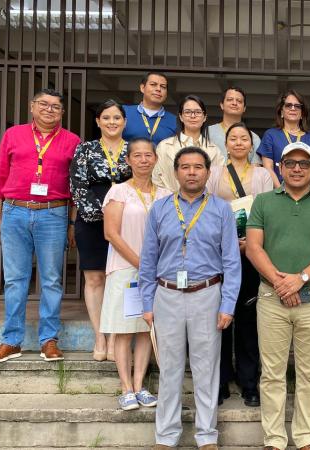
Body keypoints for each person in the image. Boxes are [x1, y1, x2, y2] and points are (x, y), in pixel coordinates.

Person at [139, 146, 241, 449]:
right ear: (176, 172)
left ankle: (207, 436)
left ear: (208, 172)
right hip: (167, 295)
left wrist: (228, 305)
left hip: (207, 295)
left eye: (198, 167)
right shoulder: (160, 209)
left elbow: (232, 262)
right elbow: (148, 261)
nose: (192, 172)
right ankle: (166, 436)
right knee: (169, 370)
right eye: (186, 167)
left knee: (206, 369)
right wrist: (148, 303)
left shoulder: (222, 209)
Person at [246, 141, 310, 450]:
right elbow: (253, 247)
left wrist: (300, 279)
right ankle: (274, 439)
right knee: (272, 373)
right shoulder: (263, 201)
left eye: (304, 163)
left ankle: (305, 437)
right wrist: (281, 283)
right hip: (271, 297)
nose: (297, 168)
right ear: (281, 167)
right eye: (291, 163)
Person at [0, 88, 80, 363]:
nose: (49, 109)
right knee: (15, 279)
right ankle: (11, 340)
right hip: (14, 212)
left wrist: (72, 224)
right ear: (31, 106)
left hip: (54, 213)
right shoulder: (13, 135)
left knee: (51, 279)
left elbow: (75, 189)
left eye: (56, 107)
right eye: (44, 104)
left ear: (62, 112)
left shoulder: (72, 141)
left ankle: (48, 340)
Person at [206, 122, 274, 408]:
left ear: (251, 143)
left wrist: (253, 243)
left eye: (243, 138)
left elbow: (270, 212)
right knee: (220, 319)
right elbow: (206, 209)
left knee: (248, 319)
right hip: (219, 255)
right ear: (226, 143)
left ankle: (249, 382)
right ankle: (220, 380)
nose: (238, 143)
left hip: (251, 254)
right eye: (232, 138)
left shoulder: (263, 175)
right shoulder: (213, 174)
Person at [100, 138, 169, 410]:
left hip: (157, 272)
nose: (143, 160)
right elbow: (111, 234)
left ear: (155, 159)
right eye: (137, 156)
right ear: (128, 161)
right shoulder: (118, 192)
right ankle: (125, 388)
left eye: (148, 155)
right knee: (124, 330)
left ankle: (140, 386)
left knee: (145, 328)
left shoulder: (164, 195)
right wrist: (142, 263)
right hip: (126, 269)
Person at [69, 99, 131, 362]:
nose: (112, 122)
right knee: (95, 279)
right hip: (92, 220)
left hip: (129, 221)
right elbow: (77, 187)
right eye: (106, 118)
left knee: (121, 279)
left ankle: (116, 335)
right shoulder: (85, 150)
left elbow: (143, 181)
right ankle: (100, 335)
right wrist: (103, 214)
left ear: (124, 122)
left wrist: (123, 215)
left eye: (117, 117)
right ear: (98, 121)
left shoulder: (134, 149)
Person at [152, 95, 224, 192]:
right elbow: (156, 180)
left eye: (198, 112)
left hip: (205, 204)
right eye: (188, 112)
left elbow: (220, 183)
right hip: (171, 203)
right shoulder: (164, 147)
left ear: (204, 117)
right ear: (181, 117)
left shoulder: (214, 150)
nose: (193, 116)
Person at [257, 90, 310, 188]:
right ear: (282, 112)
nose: (293, 108)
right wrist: (280, 191)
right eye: (288, 105)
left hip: (306, 194)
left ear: (302, 113)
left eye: (297, 106)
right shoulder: (270, 135)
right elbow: (268, 168)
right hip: (278, 193)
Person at [207, 86, 262, 164]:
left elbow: (256, 169)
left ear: (244, 108)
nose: (234, 103)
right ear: (222, 105)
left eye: (239, 101)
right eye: (230, 100)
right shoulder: (207, 132)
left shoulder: (254, 138)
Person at [122, 72, 178, 146]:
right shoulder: (123, 112)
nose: (158, 89)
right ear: (142, 88)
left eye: (163, 87)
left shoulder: (175, 121)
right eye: (153, 84)